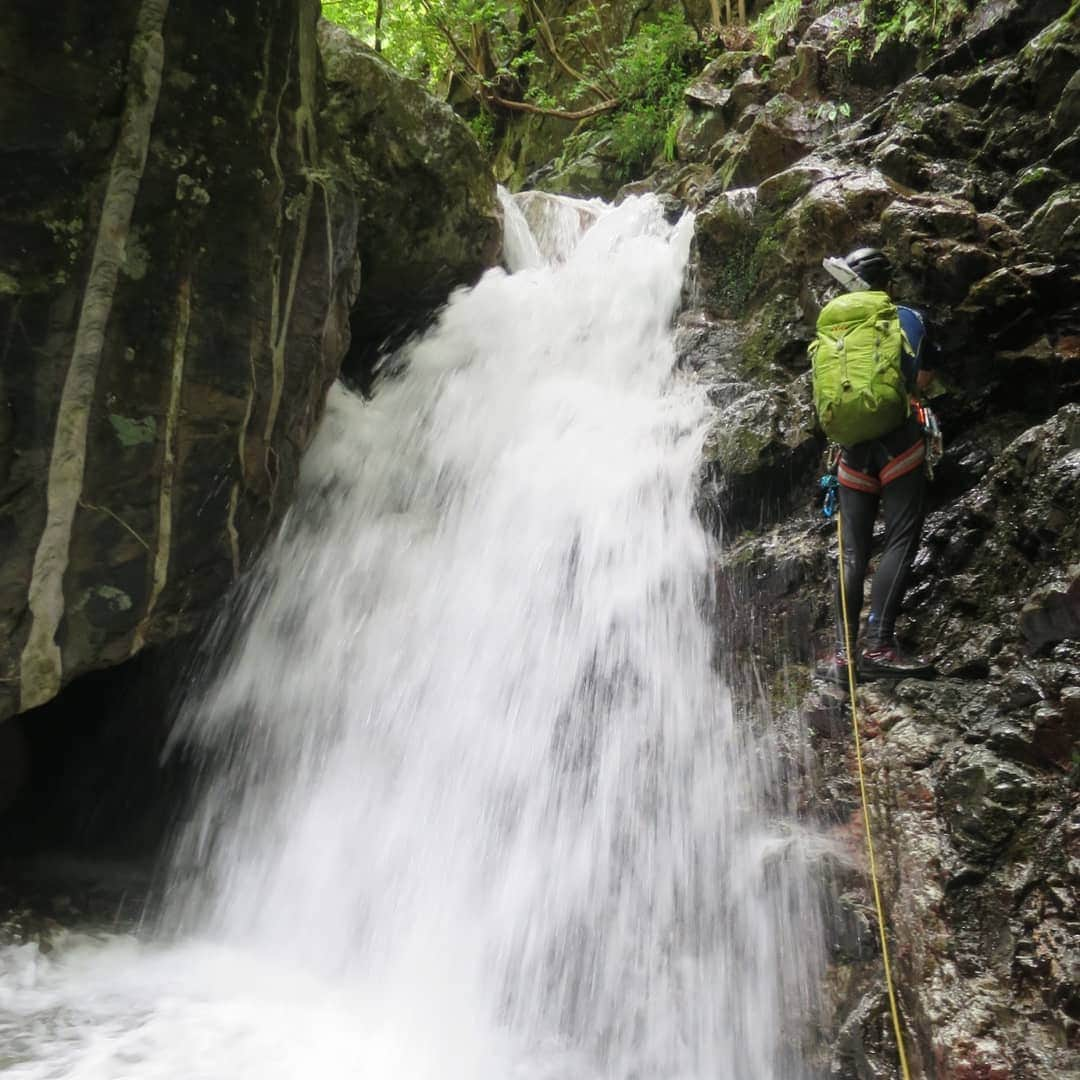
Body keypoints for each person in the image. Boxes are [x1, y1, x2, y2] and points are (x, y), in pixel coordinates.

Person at [816, 247, 938, 683]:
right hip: (897, 444)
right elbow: (921, 379)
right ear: (887, 282)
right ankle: (880, 646)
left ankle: (842, 656)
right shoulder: (906, 317)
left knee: (852, 552)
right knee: (900, 538)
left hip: (851, 451)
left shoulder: (839, 329)